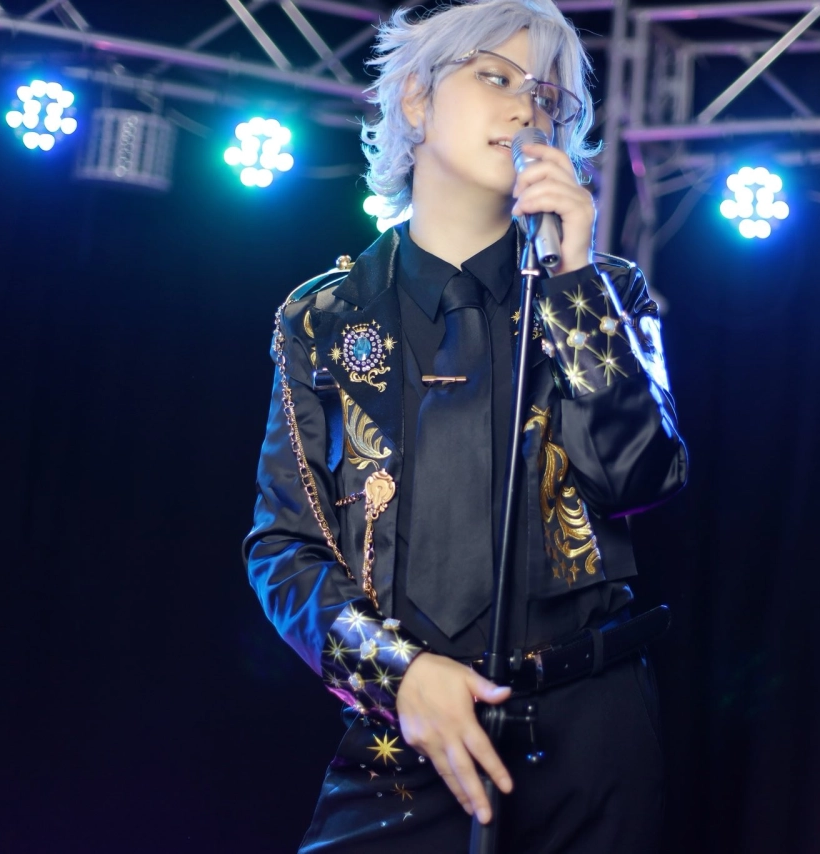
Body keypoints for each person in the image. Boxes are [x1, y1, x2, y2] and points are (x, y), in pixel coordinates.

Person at [243, 0, 688, 850]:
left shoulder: (602, 289)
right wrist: (398, 677)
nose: (526, 109)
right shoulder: (322, 318)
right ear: (416, 99)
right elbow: (283, 547)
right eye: (496, 77)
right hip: (409, 729)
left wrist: (573, 277)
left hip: (587, 729)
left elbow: (642, 476)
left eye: (548, 96)